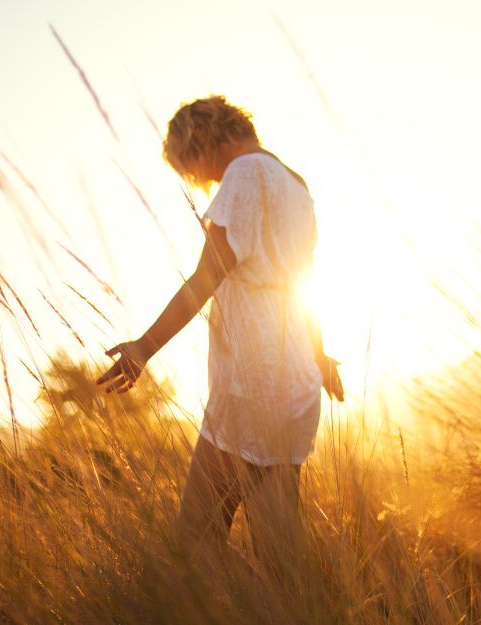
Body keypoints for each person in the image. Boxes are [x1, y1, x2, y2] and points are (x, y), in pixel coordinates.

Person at [94, 95, 343, 572]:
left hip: (252, 380)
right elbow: (302, 282)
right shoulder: (295, 182)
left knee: (195, 538)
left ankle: (229, 604)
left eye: (191, 165)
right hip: (296, 382)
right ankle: (283, 604)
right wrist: (318, 356)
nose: (201, 179)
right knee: (279, 557)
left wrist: (144, 348)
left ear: (201, 141)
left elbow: (209, 274)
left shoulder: (244, 175)